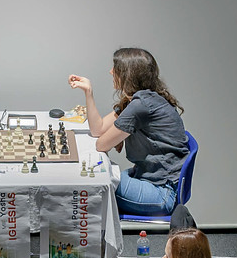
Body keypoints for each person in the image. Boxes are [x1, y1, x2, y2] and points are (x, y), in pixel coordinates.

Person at [69, 47, 188, 218]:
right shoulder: (141, 99)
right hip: (147, 179)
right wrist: (88, 92)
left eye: (116, 68)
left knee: (89, 185)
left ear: (128, 74)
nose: (111, 72)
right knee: (94, 179)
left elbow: (101, 144)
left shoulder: (141, 105)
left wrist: (120, 134)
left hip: (161, 192)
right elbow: (98, 129)